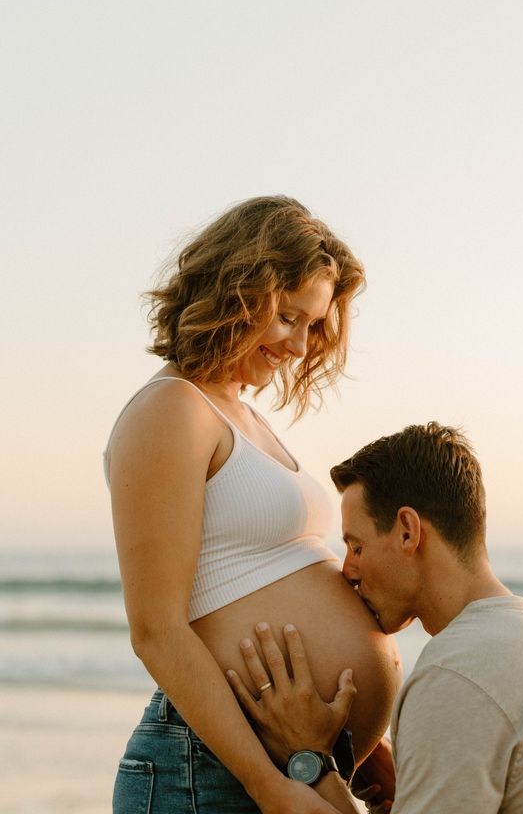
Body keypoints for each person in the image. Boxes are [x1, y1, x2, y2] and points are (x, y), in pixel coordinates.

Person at [104, 196, 401, 814]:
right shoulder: (171, 411)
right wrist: (269, 786)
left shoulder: (239, 413)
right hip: (211, 768)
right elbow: (156, 631)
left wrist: (363, 745)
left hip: (293, 758)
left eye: (314, 325)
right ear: (236, 290)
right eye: (289, 317)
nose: (299, 345)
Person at [228, 422, 523, 814]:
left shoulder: (458, 676)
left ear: (408, 531)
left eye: (356, 546)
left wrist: (313, 762)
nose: (348, 571)